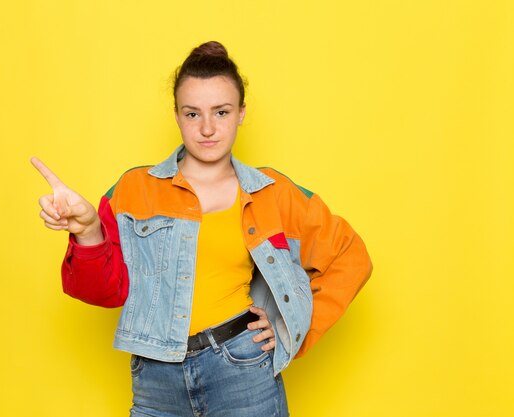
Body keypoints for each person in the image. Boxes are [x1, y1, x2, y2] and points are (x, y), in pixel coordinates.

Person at [32, 41, 372, 417]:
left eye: (221, 112)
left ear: (241, 113)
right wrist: (88, 230)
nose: (207, 128)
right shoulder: (133, 190)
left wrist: (292, 330)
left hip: (242, 370)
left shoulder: (272, 193)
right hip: (155, 381)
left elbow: (350, 257)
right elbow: (103, 291)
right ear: (176, 116)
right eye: (192, 114)